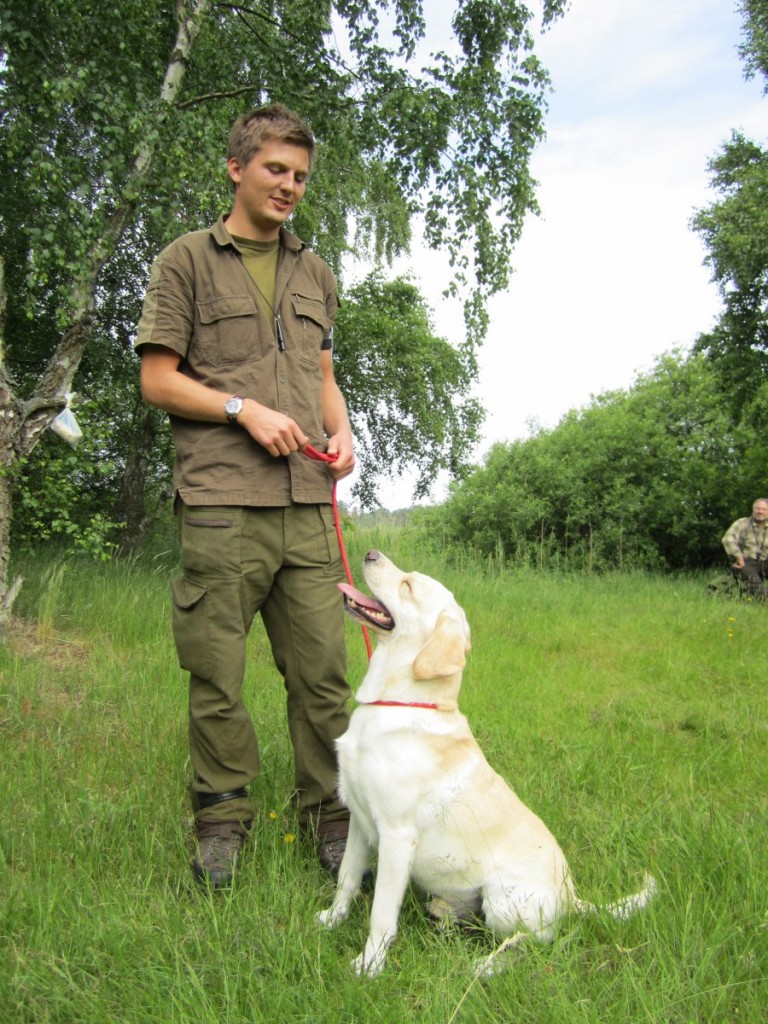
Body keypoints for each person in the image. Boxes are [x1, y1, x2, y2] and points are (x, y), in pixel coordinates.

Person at [134, 104, 356, 887]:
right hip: (222, 506)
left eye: (300, 175)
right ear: (237, 168)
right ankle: (221, 824)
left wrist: (345, 431)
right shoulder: (186, 260)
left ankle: (332, 819)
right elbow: (157, 379)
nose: (289, 185)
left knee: (324, 677)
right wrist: (241, 409)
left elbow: (324, 378)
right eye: (275, 169)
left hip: (306, 508)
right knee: (217, 676)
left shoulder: (316, 272)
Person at [722, 498, 768, 599]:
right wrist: (738, 557)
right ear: (753, 510)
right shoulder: (742, 523)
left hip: (765, 561)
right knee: (756, 585)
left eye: (764, 509)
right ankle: (764, 600)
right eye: (758, 509)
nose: (760, 511)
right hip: (745, 561)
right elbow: (727, 539)